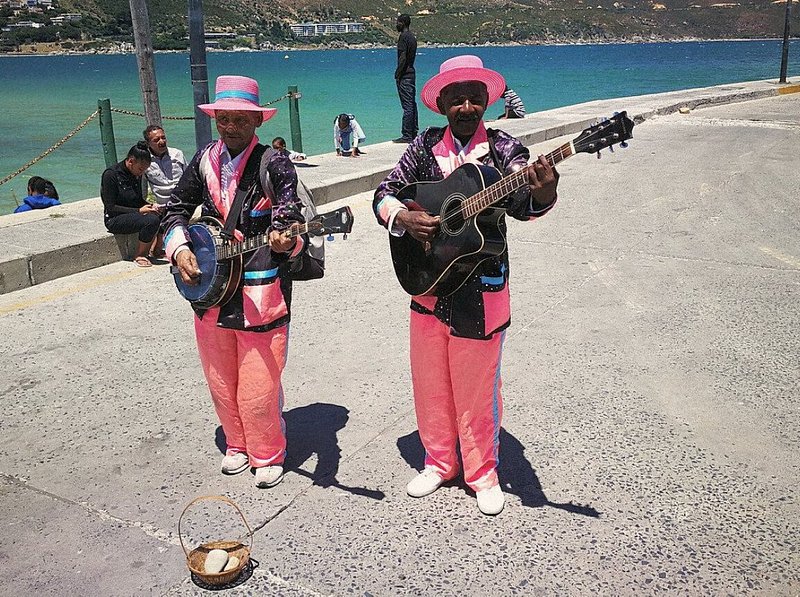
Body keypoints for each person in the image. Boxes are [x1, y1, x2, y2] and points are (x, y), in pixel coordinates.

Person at [372, 55, 560, 516]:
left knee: (477, 388)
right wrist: (404, 217)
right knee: (430, 379)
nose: (466, 106)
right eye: (457, 99)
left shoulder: (503, 149)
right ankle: (438, 461)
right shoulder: (422, 146)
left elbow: (524, 207)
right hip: (428, 280)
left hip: (482, 285)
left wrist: (543, 190)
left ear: (486, 102)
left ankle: (482, 472)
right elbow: (383, 192)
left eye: (475, 98)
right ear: (442, 104)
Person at [163, 75, 307, 489]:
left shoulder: (273, 162)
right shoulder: (203, 159)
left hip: (260, 286)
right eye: (223, 119)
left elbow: (288, 212)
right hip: (210, 285)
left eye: (239, 119)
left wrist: (285, 238)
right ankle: (237, 443)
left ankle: (267, 451)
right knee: (220, 374)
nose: (230, 127)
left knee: (260, 377)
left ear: (256, 121)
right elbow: (176, 208)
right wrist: (180, 250)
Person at [101, 141, 161, 267]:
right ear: (131, 161)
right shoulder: (111, 175)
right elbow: (110, 207)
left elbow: (138, 200)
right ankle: (140, 254)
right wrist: (139, 211)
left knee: (161, 213)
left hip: (133, 213)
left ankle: (156, 249)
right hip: (114, 218)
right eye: (140, 169)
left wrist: (150, 205)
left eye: (144, 170)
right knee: (151, 220)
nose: (141, 173)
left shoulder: (136, 175)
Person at [142, 124, 187, 258]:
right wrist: (147, 204)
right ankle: (157, 247)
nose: (161, 142)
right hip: (160, 203)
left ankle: (161, 246)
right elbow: (142, 189)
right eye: (156, 140)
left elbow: (189, 178)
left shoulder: (177, 154)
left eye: (163, 138)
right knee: (161, 213)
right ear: (148, 143)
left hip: (180, 199)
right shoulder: (146, 161)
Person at [393, 13, 418, 144]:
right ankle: (414, 131)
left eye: (398, 22)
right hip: (411, 73)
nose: (396, 24)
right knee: (412, 103)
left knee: (407, 105)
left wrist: (398, 73)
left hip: (405, 74)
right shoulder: (412, 38)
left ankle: (407, 134)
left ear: (403, 23)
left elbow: (403, 57)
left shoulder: (403, 37)